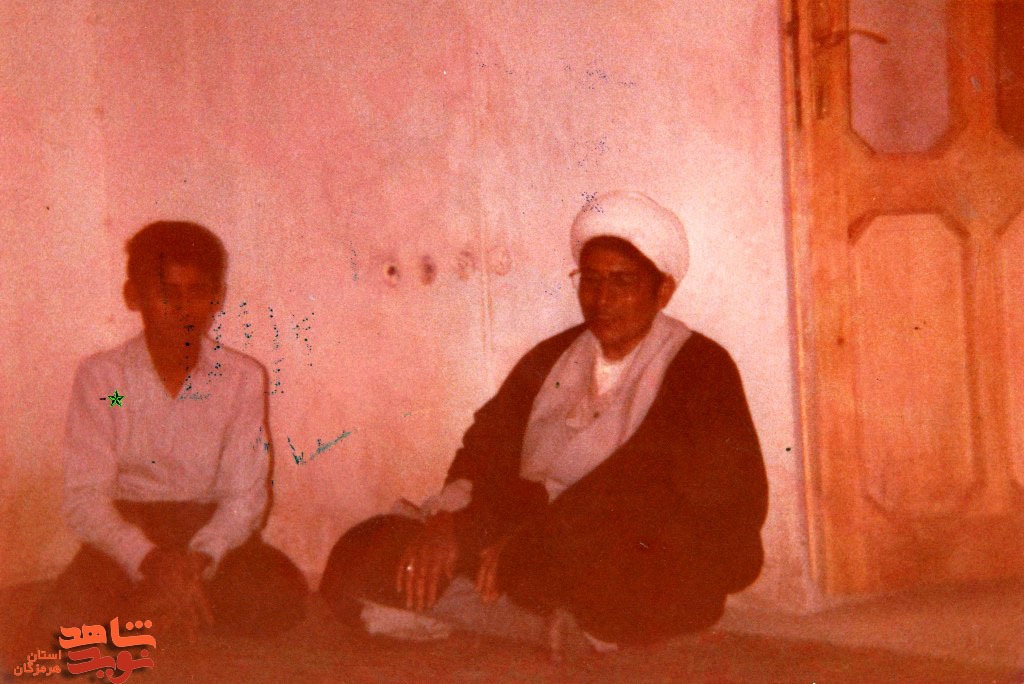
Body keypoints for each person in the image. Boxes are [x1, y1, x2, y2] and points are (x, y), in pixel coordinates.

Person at [320, 191, 768, 652]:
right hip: (521, 530)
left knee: (600, 566)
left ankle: (507, 609)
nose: (602, 299)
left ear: (663, 291)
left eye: (623, 281)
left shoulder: (701, 367)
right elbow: (484, 448)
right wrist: (448, 527)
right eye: (590, 280)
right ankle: (548, 624)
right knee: (364, 548)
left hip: (626, 543)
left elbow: (690, 495)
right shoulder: (552, 357)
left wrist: (541, 534)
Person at [48, 221, 306, 643]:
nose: (183, 309)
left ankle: (166, 605)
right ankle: (172, 604)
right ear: (133, 296)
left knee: (279, 595)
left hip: (209, 528)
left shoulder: (240, 378)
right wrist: (149, 559)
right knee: (64, 618)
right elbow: (84, 497)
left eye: (197, 292)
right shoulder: (104, 379)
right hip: (132, 527)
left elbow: (245, 495)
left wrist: (200, 558)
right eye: (166, 293)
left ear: (217, 297)